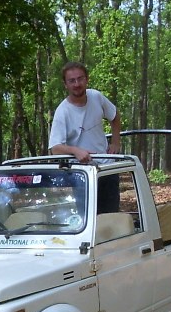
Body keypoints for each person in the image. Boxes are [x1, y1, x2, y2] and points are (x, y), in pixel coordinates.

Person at [48, 62, 122, 212]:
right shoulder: (63, 112)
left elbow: (115, 116)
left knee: (111, 218)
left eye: (80, 79)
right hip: (82, 174)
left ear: (87, 79)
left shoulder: (96, 97)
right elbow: (54, 148)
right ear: (65, 84)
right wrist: (76, 150)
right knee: (88, 219)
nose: (77, 84)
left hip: (107, 169)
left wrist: (115, 142)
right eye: (72, 81)